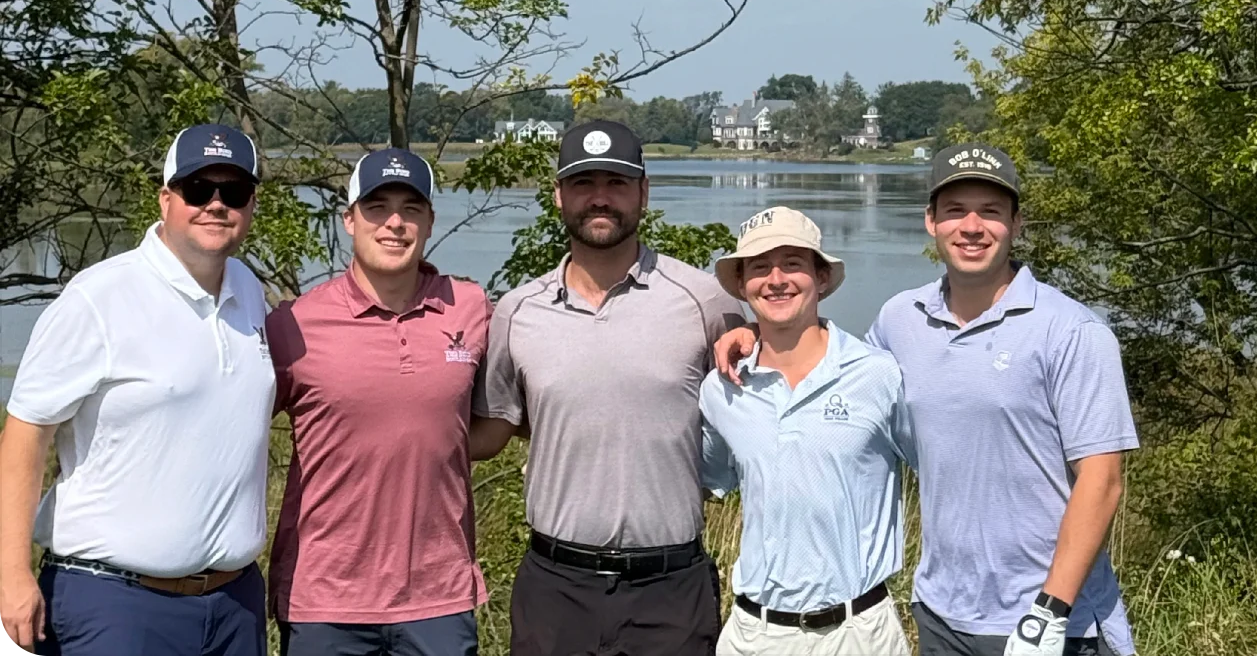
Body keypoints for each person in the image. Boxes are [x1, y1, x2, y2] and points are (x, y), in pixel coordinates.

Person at [714, 143, 1141, 656]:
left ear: (1017, 224)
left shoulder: (1072, 331)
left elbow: (1103, 479)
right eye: (956, 211)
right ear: (931, 222)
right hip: (940, 611)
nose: (972, 226)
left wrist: (1051, 609)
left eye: (991, 211)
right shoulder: (901, 320)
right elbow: (834, 378)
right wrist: (753, 336)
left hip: (1049, 623)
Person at [470, 120, 747, 656]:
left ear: (644, 192)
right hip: (556, 587)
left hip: (669, 589)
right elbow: (497, 425)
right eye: (583, 183)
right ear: (558, 195)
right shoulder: (517, 311)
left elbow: (765, 384)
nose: (600, 198)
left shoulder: (704, 300)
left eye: (617, 183)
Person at [0, 123, 274, 656]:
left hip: (233, 604)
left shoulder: (249, 291)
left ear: (251, 206)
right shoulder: (99, 298)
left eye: (233, 192)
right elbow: (26, 433)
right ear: (166, 199)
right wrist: (11, 572)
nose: (216, 204)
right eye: (199, 189)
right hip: (114, 603)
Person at [266, 147, 493, 656]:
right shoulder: (294, 324)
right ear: (349, 219)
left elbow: (510, 405)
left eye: (411, 209)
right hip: (325, 601)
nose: (395, 223)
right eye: (377, 207)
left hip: (439, 599)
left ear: (430, 221)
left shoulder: (471, 308)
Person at [700, 206, 915, 656]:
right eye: (759, 267)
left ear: (820, 278)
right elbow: (712, 479)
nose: (776, 279)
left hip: (859, 633)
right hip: (755, 635)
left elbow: (939, 471)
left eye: (793, 264)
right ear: (742, 285)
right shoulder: (722, 389)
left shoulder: (877, 374)